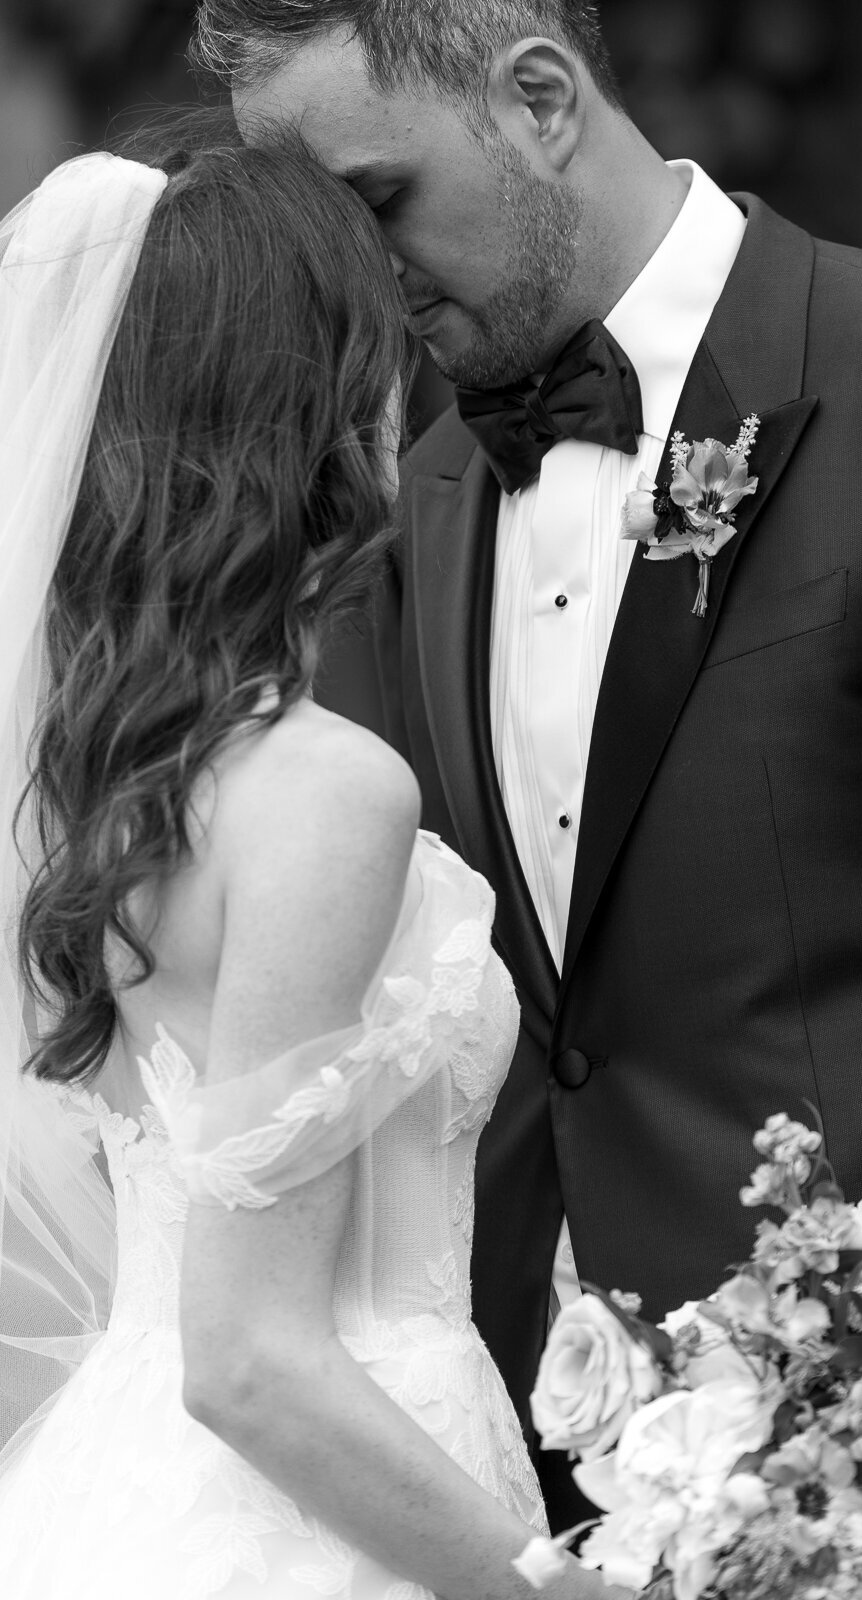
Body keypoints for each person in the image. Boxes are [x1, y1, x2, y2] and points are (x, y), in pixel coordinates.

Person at [202, 0, 862, 1532]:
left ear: (538, 99)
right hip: (522, 1453)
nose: (354, 273)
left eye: (375, 200)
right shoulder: (425, 484)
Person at [0, 132, 622, 1600]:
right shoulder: (322, 790)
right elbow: (253, 1361)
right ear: (323, 408)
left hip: (129, 1484)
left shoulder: (107, 775)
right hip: (320, 1514)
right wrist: (555, 1589)